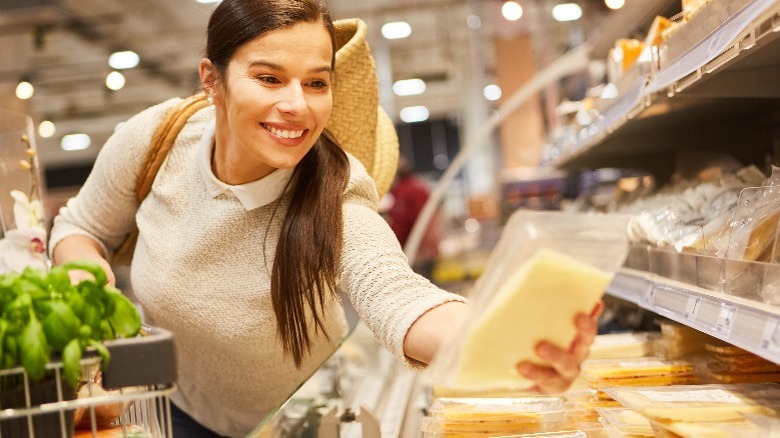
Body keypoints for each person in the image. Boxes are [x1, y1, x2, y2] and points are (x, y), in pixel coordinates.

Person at [48, 1, 601, 436]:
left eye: (317, 82)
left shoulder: (333, 193)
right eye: (269, 78)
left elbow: (396, 294)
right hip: (173, 414)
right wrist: (84, 275)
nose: (299, 105)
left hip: (299, 421)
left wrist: (501, 336)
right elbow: (80, 227)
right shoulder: (156, 140)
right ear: (212, 81)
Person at [388, 156, 440, 280]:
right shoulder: (420, 187)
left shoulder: (405, 192)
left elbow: (401, 224)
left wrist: (393, 249)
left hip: (417, 253)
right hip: (429, 251)